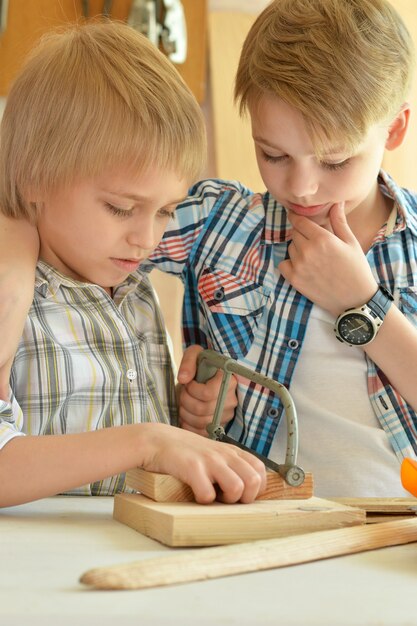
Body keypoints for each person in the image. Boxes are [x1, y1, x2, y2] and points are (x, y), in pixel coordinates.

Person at [1, 0, 417, 497]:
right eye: (274, 155)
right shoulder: (219, 223)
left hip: (396, 532)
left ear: (394, 128)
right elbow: (65, 212)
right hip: (257, 526)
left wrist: (363, 305)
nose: (302, 188)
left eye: (335, 161)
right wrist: (12, 264)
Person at [0, 20, 267, 508]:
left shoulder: (136, 294)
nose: (146, 240)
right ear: (35, 175)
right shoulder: (12, 293)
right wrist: (148, 442)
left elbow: (149, 454)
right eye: (121, 207)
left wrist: (191, 427)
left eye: (165, 211)